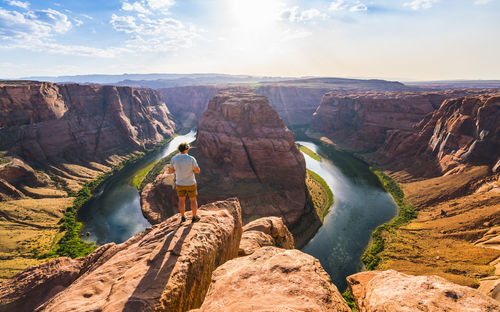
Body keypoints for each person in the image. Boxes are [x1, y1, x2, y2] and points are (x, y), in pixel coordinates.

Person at [169, 142, 201, 222]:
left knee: (181, 200)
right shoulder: (191, 159)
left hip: (179, 183)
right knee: (193, 200)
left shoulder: (174, 158)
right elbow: (198, 171)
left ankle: (183, 217)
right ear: (187, 149)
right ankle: (194, 217)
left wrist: (178, 169)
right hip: (191, 183)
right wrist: (191, 169)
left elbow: (170, 170)